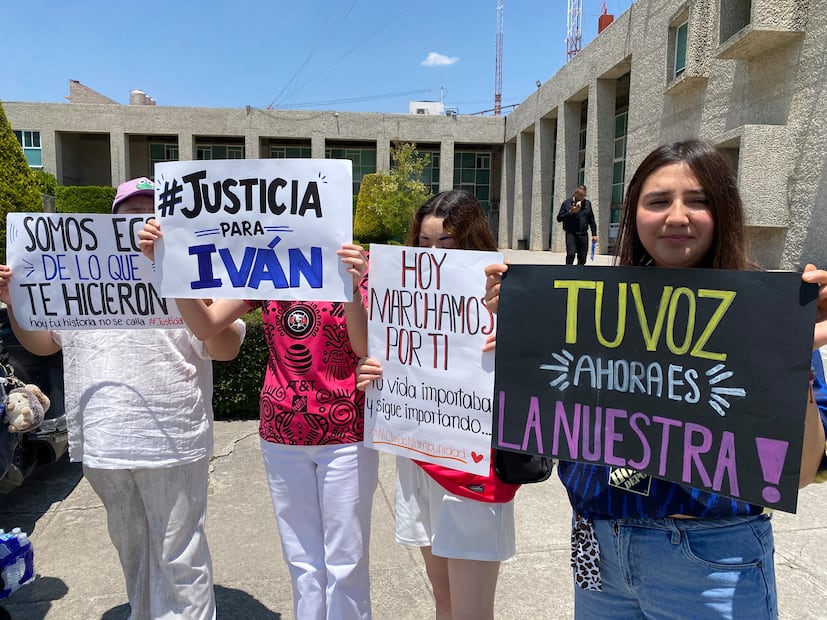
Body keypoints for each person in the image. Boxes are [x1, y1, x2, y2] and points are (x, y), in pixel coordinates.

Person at [486, 140, 827, 619]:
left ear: (724, 211)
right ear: (635, 214)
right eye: (658, 201)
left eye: (699, 200)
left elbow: (807, 467)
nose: (677, 216)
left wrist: (793, 361)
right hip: (600, 549)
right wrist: (524, 334)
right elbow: (549, 418)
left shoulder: (764, 315)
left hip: (710, 560)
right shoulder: (587, 308)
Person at [0, 177, 246, 620]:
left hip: (174, 437)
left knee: (179, 556)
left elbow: (224, 346)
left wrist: (177, 274)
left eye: (153, 213)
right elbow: (43, 344)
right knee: (133, 553)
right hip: (103, 440)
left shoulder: (199, 269)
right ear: (109, 225)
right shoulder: (79, 271)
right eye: (130, 215)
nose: (142, 223)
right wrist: (15, 302)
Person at [138, 220, 378, 620]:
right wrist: (168, 266)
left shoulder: (359, 264)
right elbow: (205, 324)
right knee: (302, 562)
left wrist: (352, 288)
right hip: (282, 432)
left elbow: (366, 347)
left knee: (346, 562)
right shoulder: (266, 265)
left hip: (346, 431)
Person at [356, 189, 519, 620]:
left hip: (473, 471)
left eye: (444, 243)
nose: (431, 254)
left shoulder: (506, 287)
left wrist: (520, 334)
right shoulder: (403, 292)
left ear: (470, 240)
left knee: (470, 611)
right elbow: (394, 354)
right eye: (423, 244)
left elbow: (545, 368)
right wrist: (372, 373)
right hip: (417, 458)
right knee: (443, 600)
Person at [556, 185, 598, 265]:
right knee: (571, 254)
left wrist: (594, 234)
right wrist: (570, 212)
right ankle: (568, 272)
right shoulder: (567, 203)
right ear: (576, 194)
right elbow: (559, 218)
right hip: (571, 234)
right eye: (581, 195)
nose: (582, 197)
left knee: (582, 257)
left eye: (584, 195)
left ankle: (579, 274)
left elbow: (591, 220)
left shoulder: (587, 204)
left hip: (583, 234)